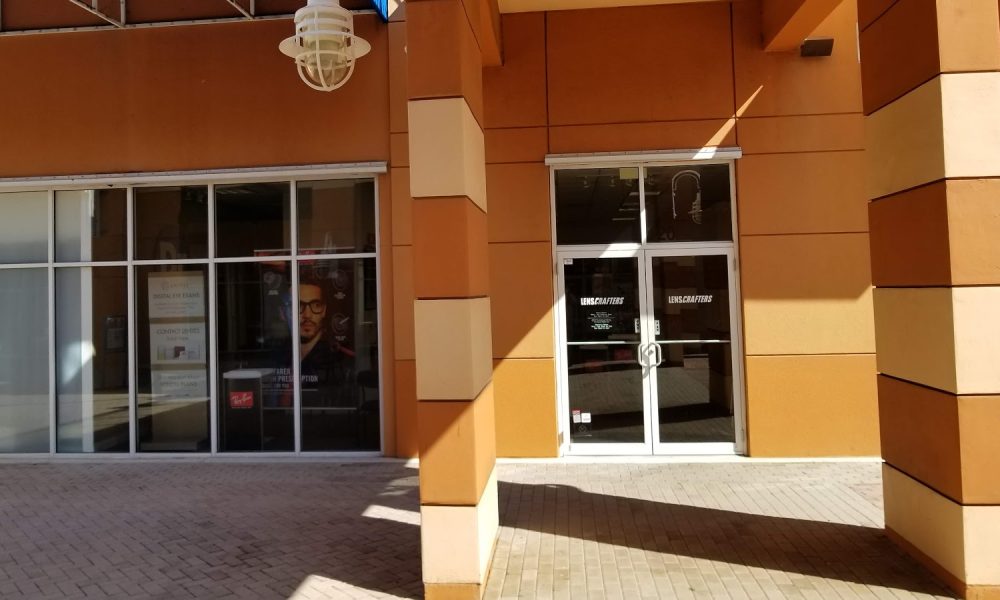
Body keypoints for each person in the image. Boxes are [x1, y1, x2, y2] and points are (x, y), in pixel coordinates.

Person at [297, 275, 355, 408]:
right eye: (299, 305)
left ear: (324, 310)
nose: (307, 315)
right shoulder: (282, 355)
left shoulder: (327, 345)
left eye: (315, 305)